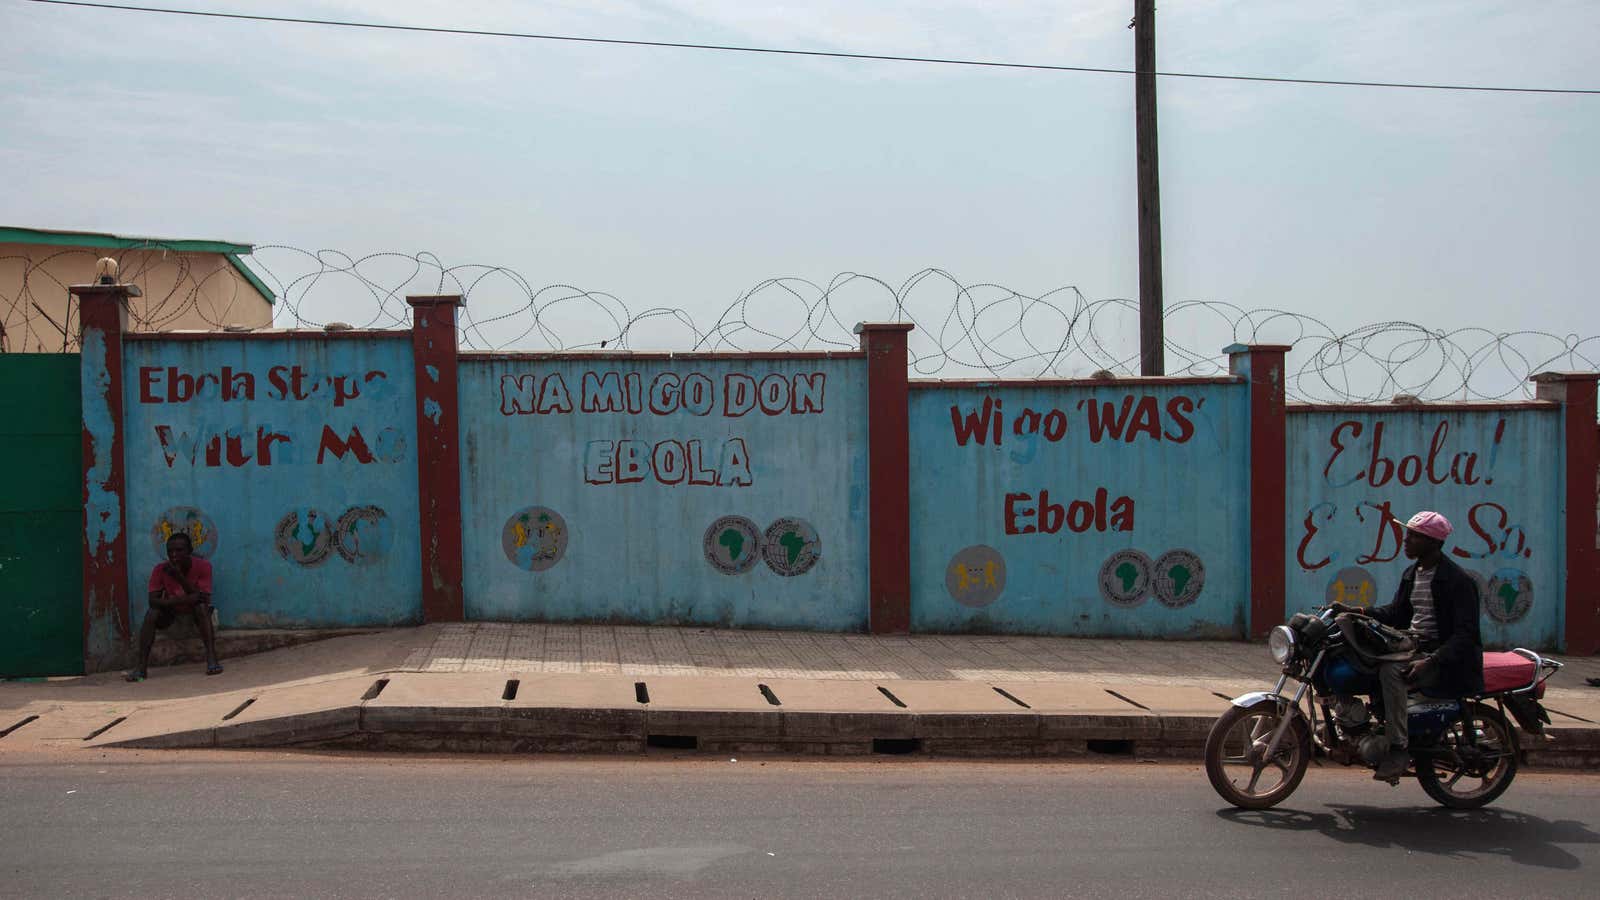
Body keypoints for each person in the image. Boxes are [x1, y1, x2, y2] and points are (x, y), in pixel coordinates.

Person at [1333, 510, 1483, 780]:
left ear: (1434, 543)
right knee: (1362, 660)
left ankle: (1399, 746)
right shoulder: (1412, 573)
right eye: (1408, 534)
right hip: (1413, 646)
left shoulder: (1458, 581)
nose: (1406, 540)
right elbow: (1396, 613)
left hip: (1441, 655)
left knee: (1391, 671)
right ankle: (1366, 724)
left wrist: (1431, 660)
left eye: (1415, 536)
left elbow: (1466, 634)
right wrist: (1356, 612)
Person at [124, 532, 223, 681]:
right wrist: (184, 599)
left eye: (179, 550)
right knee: (152, 613)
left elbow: (203, 598)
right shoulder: (160, 569)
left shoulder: (203, 566)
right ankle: (141, 667)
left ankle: (211, 658)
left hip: (196, 615)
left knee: (201, 606)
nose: (174, 555)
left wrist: (179, 577)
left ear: (189, 551)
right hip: (173, 615)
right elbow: (153, 601)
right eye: (170, 551)